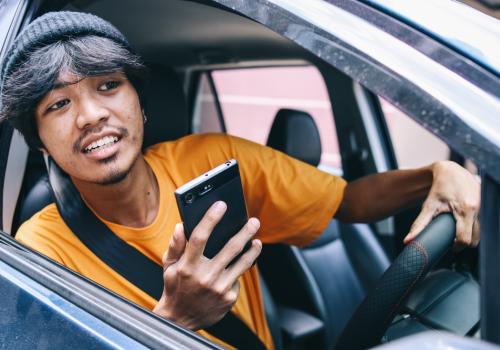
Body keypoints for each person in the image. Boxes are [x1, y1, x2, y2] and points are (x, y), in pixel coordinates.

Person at [0, 11, 480, 349]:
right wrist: (177, 319)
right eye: (58, 105)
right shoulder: (42, 247)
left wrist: (437, 174)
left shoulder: (214, 158)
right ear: (40, 141)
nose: (91, 115)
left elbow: (351, 202)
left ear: (140, 103)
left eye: (108, 85)